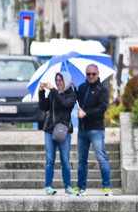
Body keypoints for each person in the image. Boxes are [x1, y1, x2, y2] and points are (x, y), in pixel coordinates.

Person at [75, 64, 112, 197]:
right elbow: (76, 102)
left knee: (102, 158)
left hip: (96, 130)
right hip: (82, 130)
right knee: (82, 160)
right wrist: (73, 90)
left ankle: (107, 187)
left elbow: (102, 109)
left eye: (93, 74)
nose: (91, 76)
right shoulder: (82, 88)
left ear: (98, 74)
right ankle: (81, 187)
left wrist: (86, 114)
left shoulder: (102, 89)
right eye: (88, 74)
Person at [38, 71, 77, 196]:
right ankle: (48, 186)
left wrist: (53, 90)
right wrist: (41, 92)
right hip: (50, 129)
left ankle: (68, 187)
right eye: (57, 80)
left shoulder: (71, 94)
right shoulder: (53, 93)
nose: (58, 82)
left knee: (65, 160)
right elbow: (44, 107)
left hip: (64, 131)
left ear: (66, 81)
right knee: (50, 160)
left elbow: (64, 105)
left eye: (60, 80)